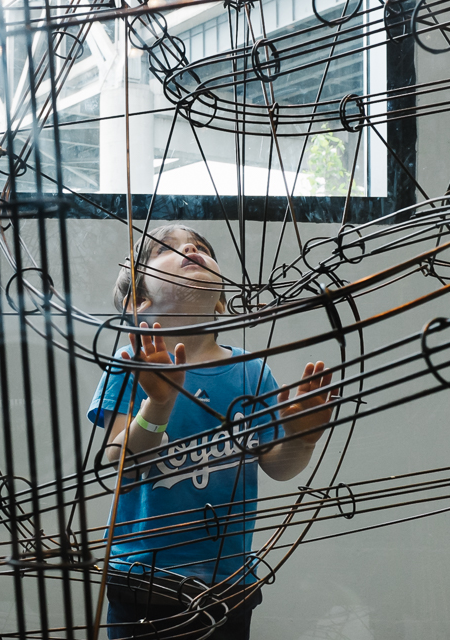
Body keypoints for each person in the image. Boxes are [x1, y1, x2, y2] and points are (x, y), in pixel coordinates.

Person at [88, 224, 336, 640]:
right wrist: (159, 404)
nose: (191, 248)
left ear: (221, 300)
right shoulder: (132, 361)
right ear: (138, 301)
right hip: (141, 580)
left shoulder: (252, 371)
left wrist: (302, 436)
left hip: (228, 583)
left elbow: (277, 467)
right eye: (167, 249)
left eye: (202, 247)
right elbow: (118, 469)